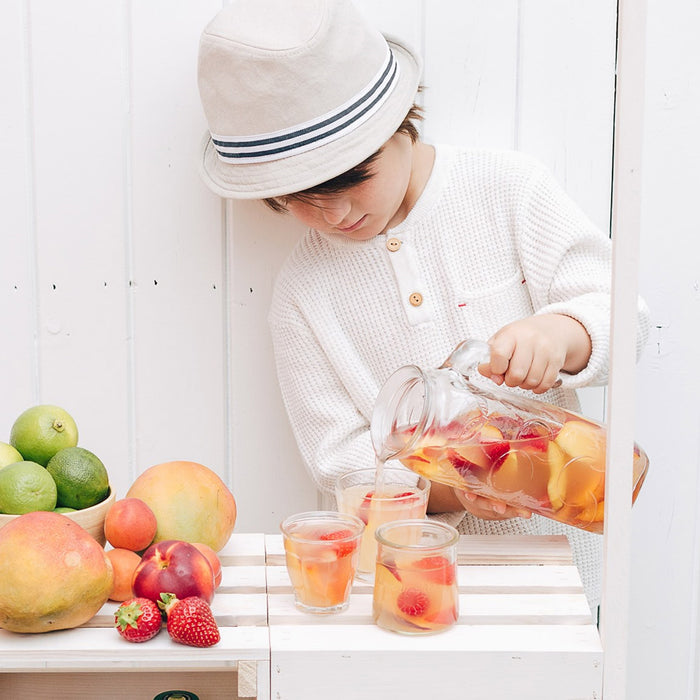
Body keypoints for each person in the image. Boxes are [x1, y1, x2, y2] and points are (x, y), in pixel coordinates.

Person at [196, 0, 650, 611]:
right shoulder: (304, 293)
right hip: (416, 580)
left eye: (353, 178)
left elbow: (628, 315)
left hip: (558, 563)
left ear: (399, 122)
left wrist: (560, 335)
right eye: (300, 198)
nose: (335, 214)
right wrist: (457, 487)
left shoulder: (506, 191)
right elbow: (344, 464)